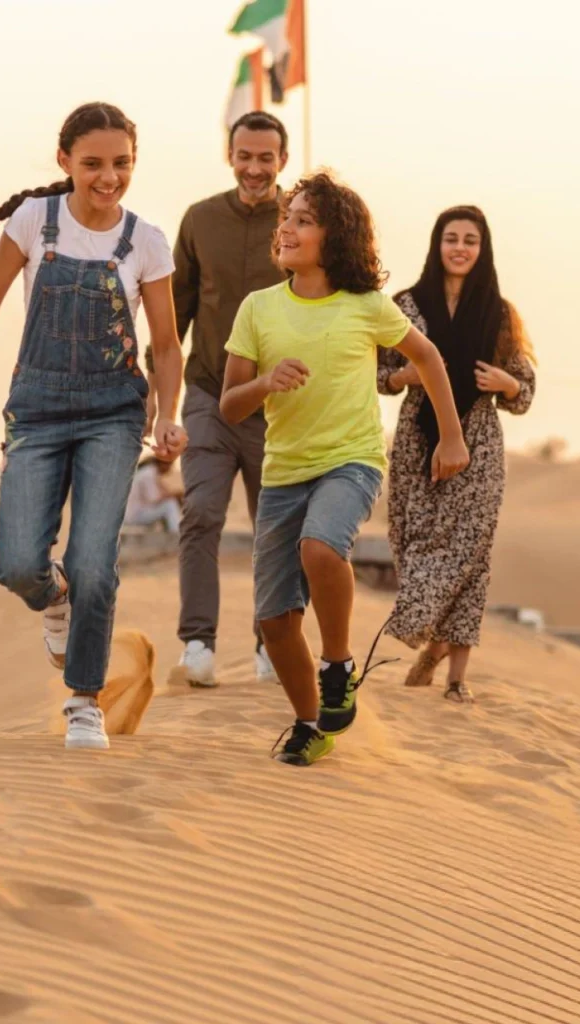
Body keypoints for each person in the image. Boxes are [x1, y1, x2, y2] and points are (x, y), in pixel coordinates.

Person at [0, 102, 187, 750]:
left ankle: (84, 700)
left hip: (114, 413)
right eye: (93, 164)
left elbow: (168, 346)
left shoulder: (146, 241)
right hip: (37, 408)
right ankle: (54, 598)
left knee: (94, 560)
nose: (108, 177)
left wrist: (169, 414)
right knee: (18, 564)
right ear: (65, 161)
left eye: (121, 163)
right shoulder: (36, 221)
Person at [220, 171, 470, 766]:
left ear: (336, 238)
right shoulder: (258, 309)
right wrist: (265, 381)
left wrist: (451, 437)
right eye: (286, 217)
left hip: (351, 461)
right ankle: (313, 723)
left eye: (304, 220)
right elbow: (229, 405)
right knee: (275, 622)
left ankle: (337, 664)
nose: (287, 228)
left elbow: (427, 357)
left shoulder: (366, 306)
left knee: (321, 548)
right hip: (283, 472)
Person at [147, 111, 288, 688]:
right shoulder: (200, 220)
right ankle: (198, 645)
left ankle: (270, 645)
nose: (254, 168)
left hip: (280, 406)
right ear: (230, 156)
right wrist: (159, 398)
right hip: (209, 393)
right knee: (201, 513)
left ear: (282, 160)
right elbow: (174, 315)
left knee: (274, 526)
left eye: (265, 158)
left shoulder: (303, 221)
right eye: (244, 156)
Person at [378, 205, 535, 702]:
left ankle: (455, 678)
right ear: (437, 244)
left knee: (471, 555)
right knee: (411, 540)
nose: (461, 248)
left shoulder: (500, 313)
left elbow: (524, 393)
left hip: (480, 442)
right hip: (416, 441)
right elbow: (376, 374)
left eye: (471, 240)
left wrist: (508, 383)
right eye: (452, 239)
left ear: (482, 249)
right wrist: (401, 376)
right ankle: (436, 641)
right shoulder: (405, 305)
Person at [124, 456, 182, 534]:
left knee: (169, 503)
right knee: (170, 504)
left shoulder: (149, 471)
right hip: (134, 515)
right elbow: (153, 499)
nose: (171, 468)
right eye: (170, 465)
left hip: (135, 513)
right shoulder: (148, 473)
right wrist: (173, 495)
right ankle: (176, 534)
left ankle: (173, 532)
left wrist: (170, 494)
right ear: (162, 464)